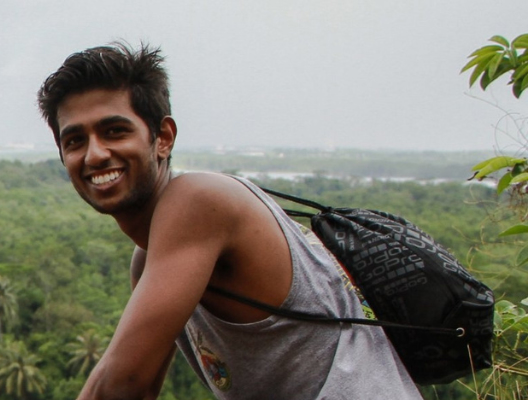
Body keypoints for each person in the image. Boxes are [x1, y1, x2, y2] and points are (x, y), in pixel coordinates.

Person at [35, 43, 420, 399]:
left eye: (114, 131)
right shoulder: (149, 258)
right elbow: (141, 386)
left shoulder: (197, 202)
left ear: (163, 137)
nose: (96, 154)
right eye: (75, 141)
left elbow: (123, 382)